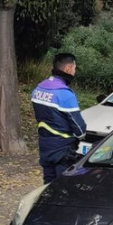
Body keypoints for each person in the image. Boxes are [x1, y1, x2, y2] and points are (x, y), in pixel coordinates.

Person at [31, 53, 87, 183]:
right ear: (68, 69)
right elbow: (79, 128)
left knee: (48, 185)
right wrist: (81, 136)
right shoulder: (65, 94)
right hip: (62, 149)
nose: (75, 71)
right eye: (74, 68)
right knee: (63, 185)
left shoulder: (39, 88)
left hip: (45, 145)